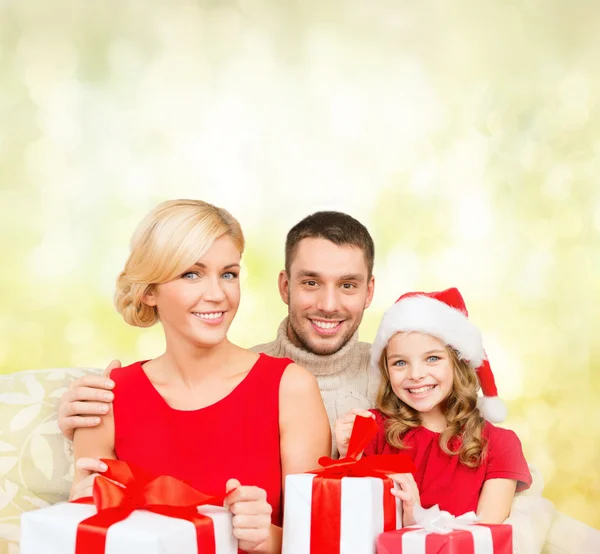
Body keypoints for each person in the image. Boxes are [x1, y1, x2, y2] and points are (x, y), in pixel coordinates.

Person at [70, 199, 330, 554]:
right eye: (191, 274)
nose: (217, 294)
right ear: (149, 291)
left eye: (228, 274)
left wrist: (263, 537)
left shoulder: (290, 388)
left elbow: (317, 544)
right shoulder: (107, 399)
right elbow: (86, 534)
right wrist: (82, 506)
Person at [59, 211, 379, 456]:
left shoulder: (406, 376)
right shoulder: (254, 378)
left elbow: (306, 529)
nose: (328, 304)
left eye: (228, 274)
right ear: (285, 286)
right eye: (311, 282)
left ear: (369, 291)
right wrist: (77, 427)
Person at [335, 288, 532, 527]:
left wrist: (415, 517)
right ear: (386, 370)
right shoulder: (373, 429)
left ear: (458, 363)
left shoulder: (499, 445)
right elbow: (346, 522)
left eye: (432, 358)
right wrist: (349, 455)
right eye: (400, 362)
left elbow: (484, 538)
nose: (416, 375)